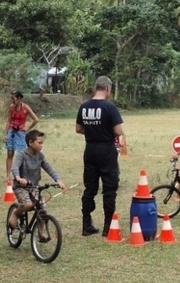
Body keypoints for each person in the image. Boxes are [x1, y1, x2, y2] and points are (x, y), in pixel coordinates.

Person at [75, 76, 125, 237]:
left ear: (95, 87)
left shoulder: (84, 106)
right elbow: (118, 131)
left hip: (90, 149)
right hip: (106, 149)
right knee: (109, 189)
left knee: (90, 188)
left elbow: (78, 128)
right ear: (108, 89)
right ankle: (107, 226)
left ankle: (86, 223)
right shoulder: (110, 107)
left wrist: (91, 131)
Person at [8, 130, 66, 238]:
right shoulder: (22, 155)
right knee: (28, 204)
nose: (41, 145)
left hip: (34, 187)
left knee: (42, 208)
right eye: (39, 143)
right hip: (21, 187)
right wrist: (18, 177)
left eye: (42, 143)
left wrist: (57, 179)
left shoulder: (40, 156)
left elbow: (49, 168)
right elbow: (15, 167)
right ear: (30, 142)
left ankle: (41, 232)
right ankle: (16, 213)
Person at [3, 90, 39, 181]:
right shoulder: (11, 107)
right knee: (10, 153)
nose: (12, 101)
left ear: (19, 98)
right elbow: (8, 120)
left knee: (21, 154)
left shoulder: (25, 107)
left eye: (13, 99)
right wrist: (5, 134)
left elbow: (36, 119)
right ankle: (8, 175)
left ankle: (21, 174)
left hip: (21, 132)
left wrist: (28, 128)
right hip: (11, 131)